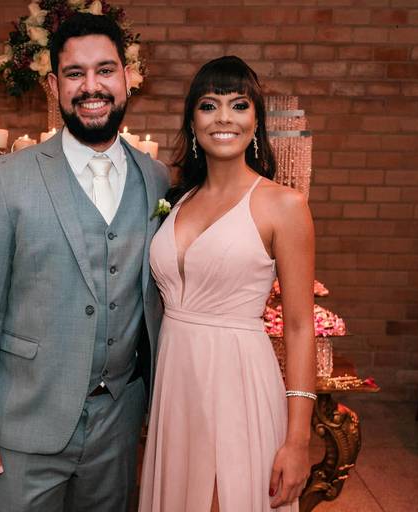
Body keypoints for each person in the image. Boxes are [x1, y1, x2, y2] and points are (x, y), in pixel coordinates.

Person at [0, 13, 169, 511]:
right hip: (26, 418)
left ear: (127, 78)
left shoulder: (155, 178)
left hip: (119, 421)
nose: (91, 86)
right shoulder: (8, 178)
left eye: (105, 70)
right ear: (54, 85)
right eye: (75, 73)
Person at [139, 56, 316, 512]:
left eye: (238, 105)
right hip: (176, 387)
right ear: (192, 121)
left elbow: (300, 327)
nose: (223, 118)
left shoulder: (284, 205)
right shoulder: (176, 200)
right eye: (208, 105)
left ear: (256, 122)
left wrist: (298, 440)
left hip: (238, 381)